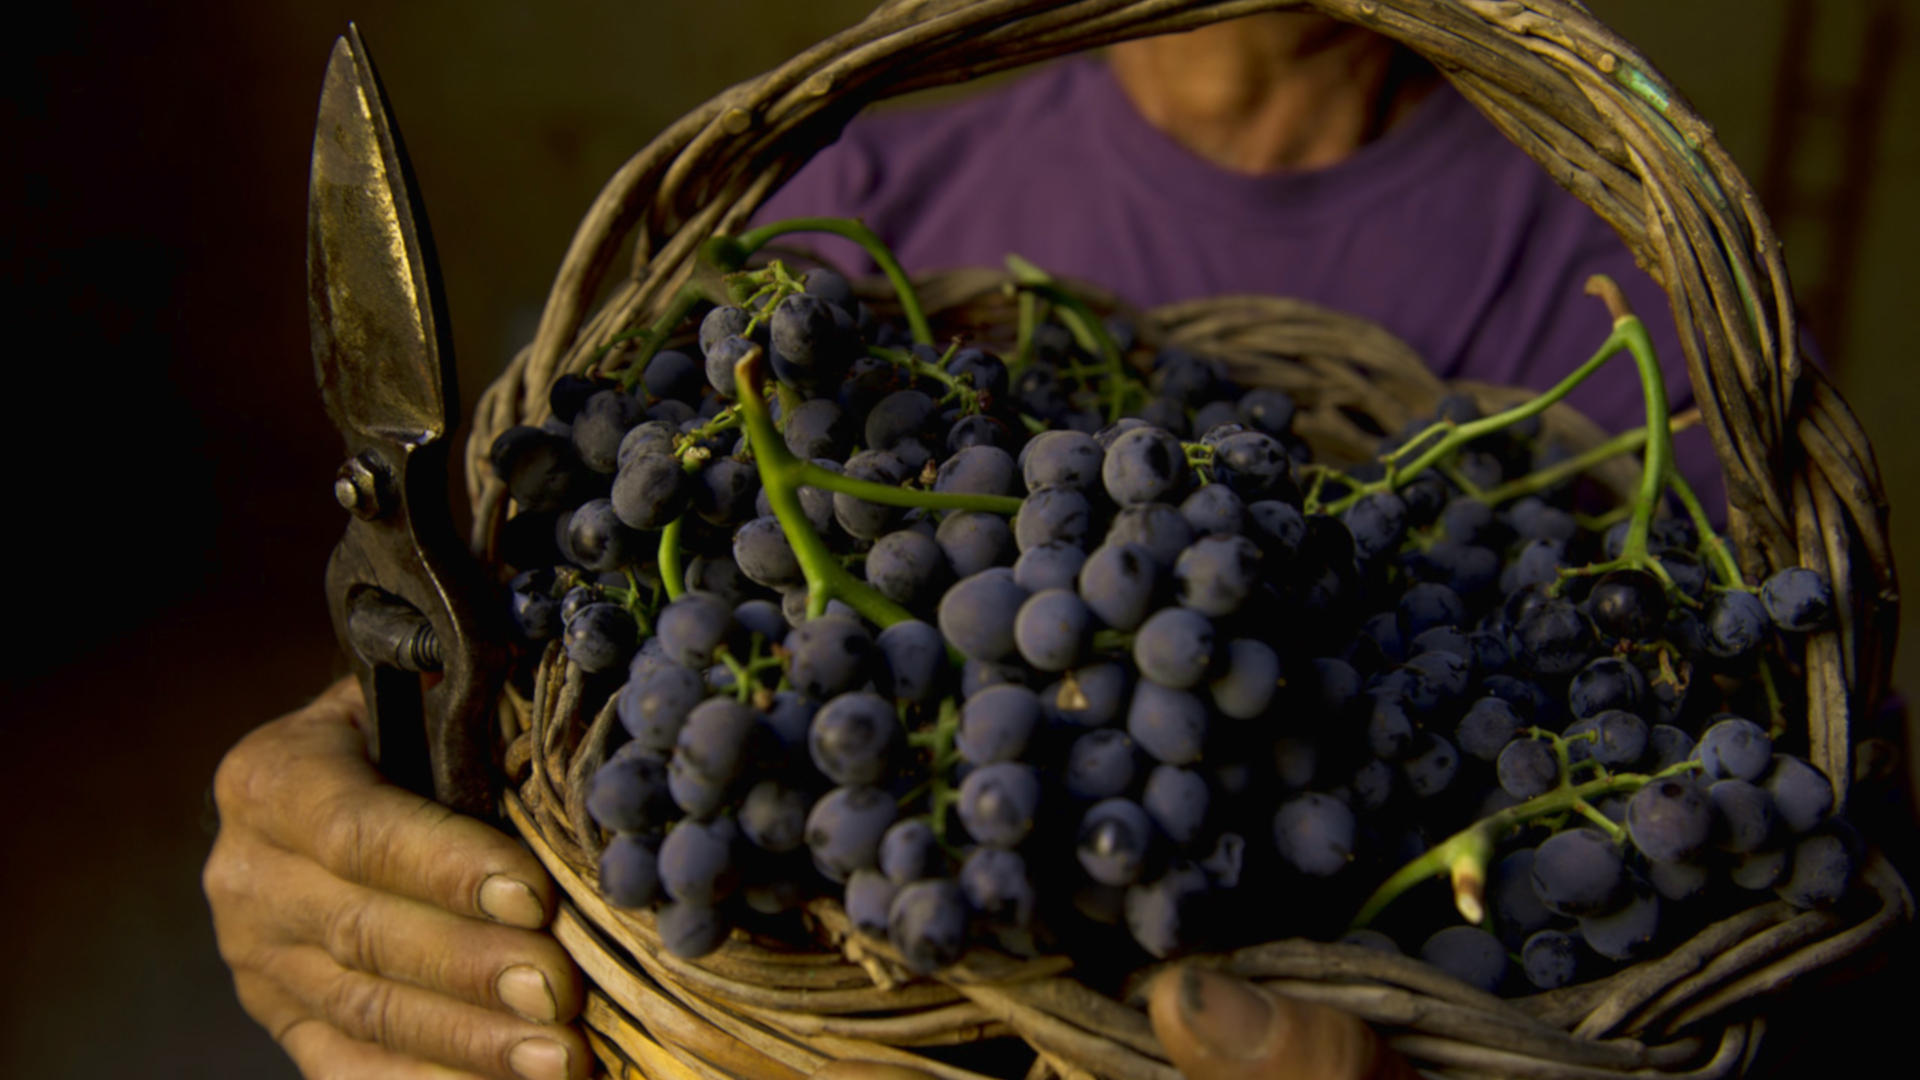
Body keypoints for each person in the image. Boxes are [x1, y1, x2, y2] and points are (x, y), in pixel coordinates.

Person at [205, 11, 1719, 1078]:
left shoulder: (1636, 300)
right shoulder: (827, 216)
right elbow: (536, 604)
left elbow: (1800, 912)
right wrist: (373, 795)